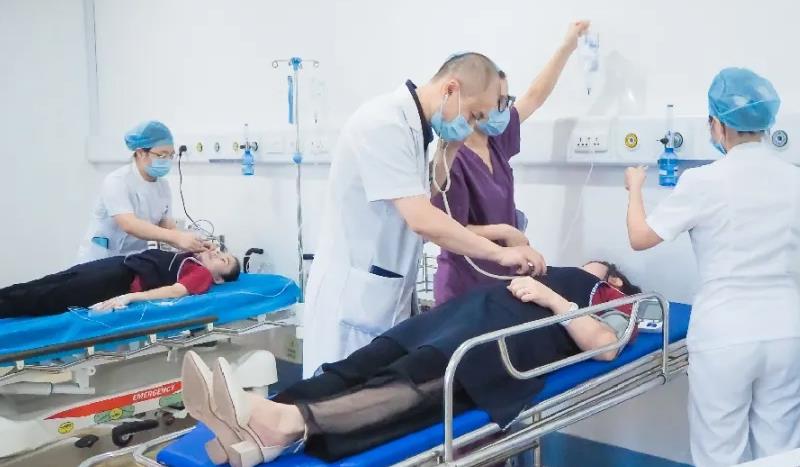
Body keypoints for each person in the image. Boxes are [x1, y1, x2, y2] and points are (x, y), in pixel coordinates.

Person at [182, 261, 641, 466]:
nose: (583, 263)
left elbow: (606, 347)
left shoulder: (609, 298)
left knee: (413, 383)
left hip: (493, 348)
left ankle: (285, 423)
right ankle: (255, 424)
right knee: (362, 364)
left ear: (614, 279)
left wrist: (552, 297)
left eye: (595, 264)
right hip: (453, 321)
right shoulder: (551, 271)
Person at [303, 53, 547, 378]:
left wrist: (450, 148)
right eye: (474, 115)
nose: (472, 126)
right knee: (332, 394)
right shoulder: (384, 124)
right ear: (451, 89)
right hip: (352, 300)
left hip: (383, 294)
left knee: (369, 395)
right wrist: (500, 252)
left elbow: (427, 194)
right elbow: (421, 219)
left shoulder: (417, 130)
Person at [624, 68, 800, 466]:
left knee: (720, 453)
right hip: (786, 330)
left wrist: (634, 188)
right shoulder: (794, 179)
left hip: (726, 333)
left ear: (717, 124)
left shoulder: (702, 181)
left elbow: (640, 237)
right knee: (781, 452)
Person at [432, 20, 590, 306]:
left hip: (501, 277)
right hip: (463, 284)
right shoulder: (451, 158)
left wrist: (567, 46)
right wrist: (507, 232)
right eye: (499, 101)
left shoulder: (496, 141)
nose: (504, 108)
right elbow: (446, 230)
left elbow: (535, 95)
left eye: (506, 100)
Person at [77, 120, 210, 263]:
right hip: (100, 258)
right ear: (141, 153)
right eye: (161, 155)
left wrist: (197, 244)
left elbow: (168, 228)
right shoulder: (117, 181)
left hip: (132, 260)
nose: (167, 160)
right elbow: (129, 224)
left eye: (171, 155)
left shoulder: (163, 186)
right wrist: (177, 237)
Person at [0, 248, 240, 318]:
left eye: (224, 260)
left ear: (219, 278)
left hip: (118, 281)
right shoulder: (191, 258)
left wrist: (129, 297)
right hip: (118, 266)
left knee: (48, 296)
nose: (217, 253)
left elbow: (176, 291)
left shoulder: (203, 274)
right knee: (49, 282)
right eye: (221, 252)